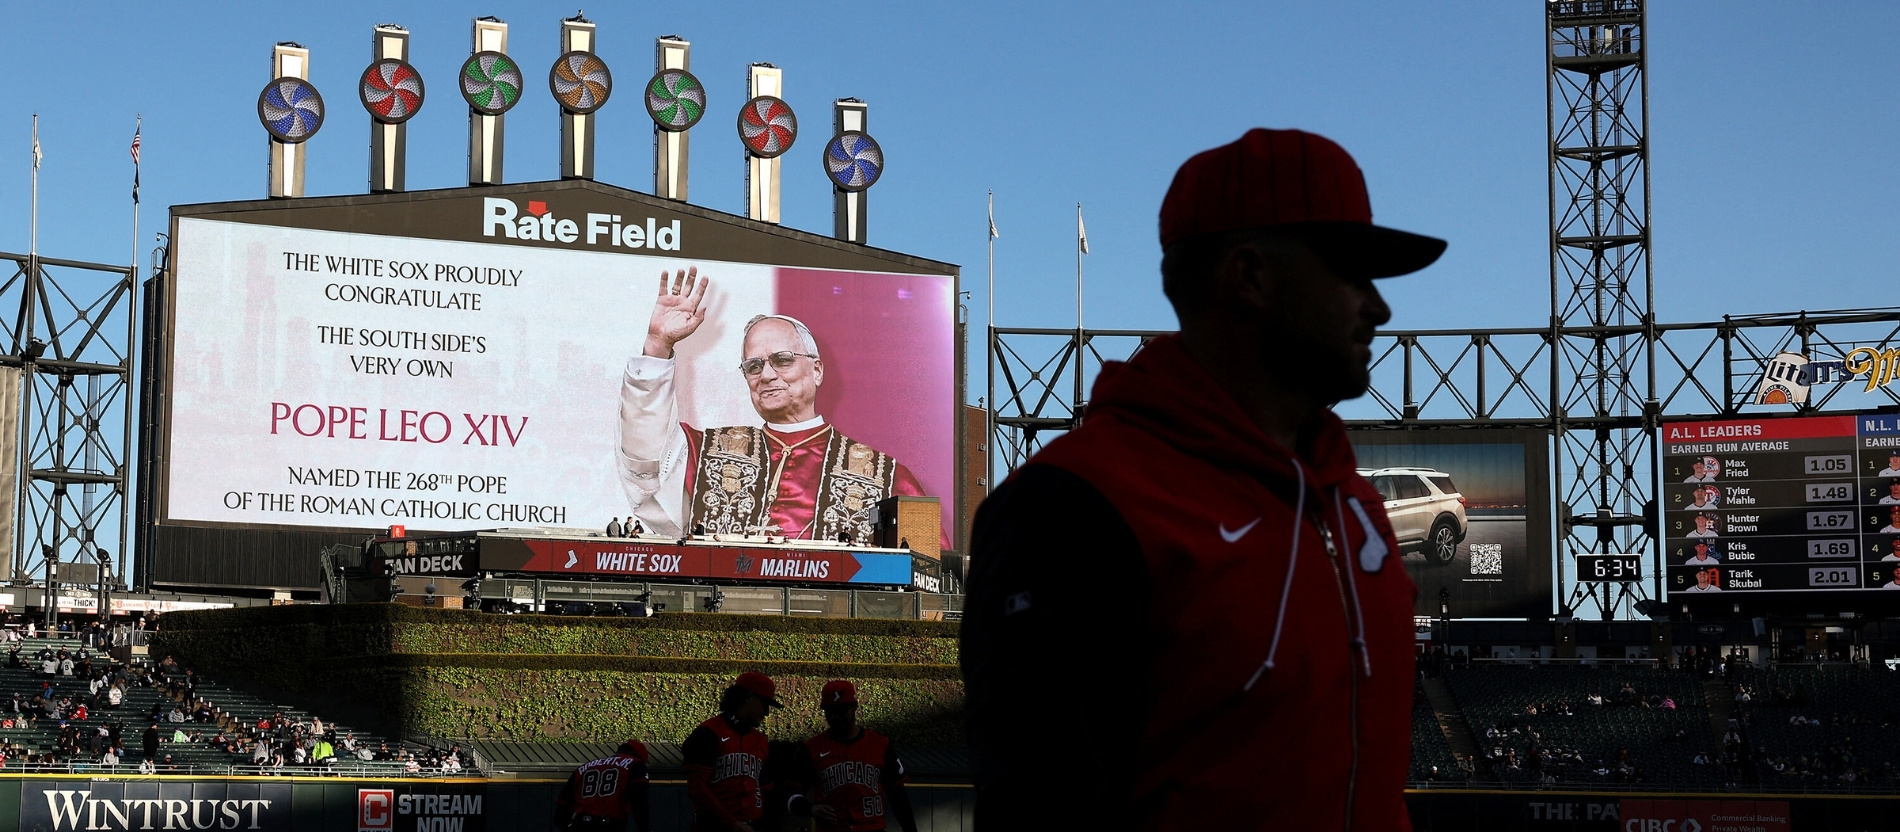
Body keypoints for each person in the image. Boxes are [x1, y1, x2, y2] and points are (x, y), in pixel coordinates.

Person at [962, 129, 1441, 829]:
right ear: (1250, 277)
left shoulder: (1354, 501)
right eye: (1350, 272)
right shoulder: (1071, 504)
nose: (1380, 306)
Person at [617, 292, 938, 546]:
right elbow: (647, 460)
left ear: (817, 370)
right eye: (754, 366)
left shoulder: (887, 477)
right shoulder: (708, 452)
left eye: (782, 360)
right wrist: (657, 346)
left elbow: (930, 579)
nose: (767, 375)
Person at [785, 680, 917, 832]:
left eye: (841, 711)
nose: (835, 717)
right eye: (830, 711)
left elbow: (898, 797)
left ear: (854, 707)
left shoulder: (880, 744)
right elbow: (791, 797)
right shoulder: (810, 748)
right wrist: (810, 808)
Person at [682, 671, 779, 832]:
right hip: (713, 826)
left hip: (753, 825)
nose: (767, 712)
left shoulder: (761, 740)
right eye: (765, 704)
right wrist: (733, 824)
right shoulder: (708, 733)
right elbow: (696, 789)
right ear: (749, 698)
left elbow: (766, 789)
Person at [554, 738, 651, 832]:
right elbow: (639, 798)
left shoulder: (585, 767)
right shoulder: (635, 764)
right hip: (609, 824)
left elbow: (561, 811)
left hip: (579, 823)